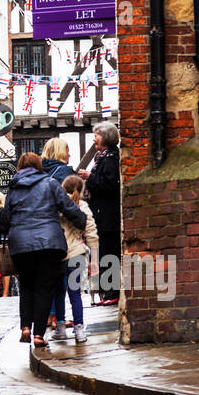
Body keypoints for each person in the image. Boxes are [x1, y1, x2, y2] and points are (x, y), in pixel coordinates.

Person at [1, 152, 86, 350]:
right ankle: (39, 334)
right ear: (39, 165)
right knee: (44, 288)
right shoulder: (50, 183)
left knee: (27, 287)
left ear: (20, 167)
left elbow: (5, 219)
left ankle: (25, 328)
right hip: (49, 243)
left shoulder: (13, 188)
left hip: (21, 245)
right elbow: (67, 207)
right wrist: (81, 221)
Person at [51, 175, 99, 345]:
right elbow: (91, 233)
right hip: (77, 253)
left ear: (63, 189)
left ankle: (61, 328)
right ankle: (79, 330)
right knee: (75, 293)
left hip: (59, 254)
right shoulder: (83, 207)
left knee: (58, 292)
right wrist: (94, 261)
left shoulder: (57, 206)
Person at [77, 122, 121, 306]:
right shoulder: (102, 156)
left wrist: (89, 177)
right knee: (104, 254)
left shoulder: (111, 158)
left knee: (109, 254)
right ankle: (107, 293)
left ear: (106, 137)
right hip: (101, 215)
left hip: (107, 216)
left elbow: (110, 185)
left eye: (97, 135)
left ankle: (112, 293)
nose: (94, 138)